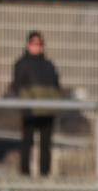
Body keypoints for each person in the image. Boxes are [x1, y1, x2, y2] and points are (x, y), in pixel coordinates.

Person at [12, 32, 61, 177]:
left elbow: (55, 86)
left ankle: (44, 173)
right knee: (27, 142)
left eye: (39, 44)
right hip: (30, 110)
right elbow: (18, 86)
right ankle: (25, 173)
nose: (36, 47)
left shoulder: (48, 65)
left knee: (45, 144)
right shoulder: (21, 64)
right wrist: (30, 102)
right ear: (28, 45)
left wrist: (53, 103)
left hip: (46, 111)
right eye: (34, 43)